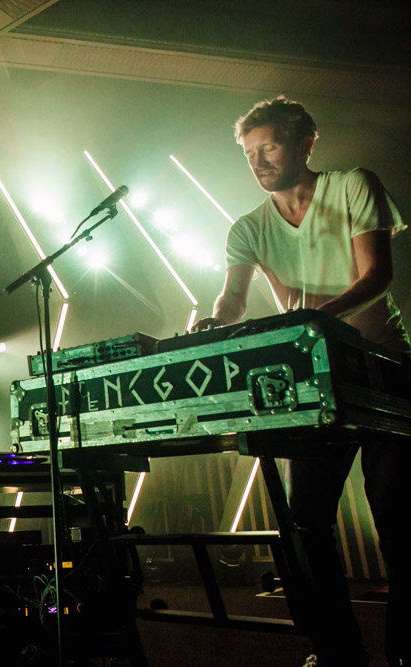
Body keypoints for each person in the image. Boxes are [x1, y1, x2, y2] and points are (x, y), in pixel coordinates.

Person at [194, 96, 408, 667]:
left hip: (383, 369)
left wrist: (315, 318)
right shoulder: (247, 228)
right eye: (249, 153)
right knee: (307, 520)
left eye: (269, 147)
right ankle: (338, 654)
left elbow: (378, 275)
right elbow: (233, 300)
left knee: (398, 518)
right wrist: (215, 321)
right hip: (312, 377)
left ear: (306, 142)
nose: (258, 161)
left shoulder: (354, 185)